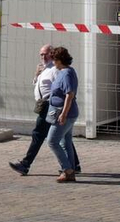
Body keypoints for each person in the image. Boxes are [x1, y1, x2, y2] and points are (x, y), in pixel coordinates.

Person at [8, 45, 80, 177]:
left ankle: (26, 164)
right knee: (64, 138)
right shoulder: (45, 69)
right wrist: (37, 75)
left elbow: (67, 92)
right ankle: (73, 165)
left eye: (47, 54)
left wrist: (63, 112)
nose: (44, 57)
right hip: (46, 105)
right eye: (41, 54)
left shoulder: (59, 71)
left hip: (52, 107)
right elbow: (40, 85)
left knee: (45, 137)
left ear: (56, 58)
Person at [46, 46, 81, 183]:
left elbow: (69, 94)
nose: (52, 62)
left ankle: (67, 170)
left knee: (52, 141)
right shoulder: (64, 71)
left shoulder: (66, 73)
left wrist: (64, 114)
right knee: (66, 141)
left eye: (53, 59)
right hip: (65, 112)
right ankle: (70, 172)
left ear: (59, 60)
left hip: (65, 113)